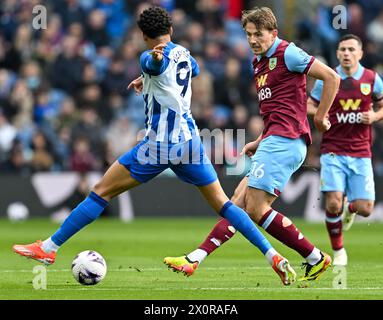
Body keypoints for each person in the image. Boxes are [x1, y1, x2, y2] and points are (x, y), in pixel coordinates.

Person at [13, 6, 296, 286]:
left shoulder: (148, 56)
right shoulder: (184, 52)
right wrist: (148, 80)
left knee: (101, 192)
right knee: (224, 204)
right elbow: (191, 70)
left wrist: (151, 69)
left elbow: (155, 64)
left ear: (143, 36)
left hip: (158, 146)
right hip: (191, 142)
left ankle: (48, 248)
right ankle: (272, 255)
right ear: (170, 30)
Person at [163, 6, 340, 282]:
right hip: (274, 138)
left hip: (286, 140)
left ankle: (316, 257)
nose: (253, 40)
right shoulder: (258, 62)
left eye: (258, 34)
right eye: (248, 34)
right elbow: (280, 108)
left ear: (273, 33)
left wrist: (320, 116)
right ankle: (194, 259)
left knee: (256, 209)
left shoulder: (287, 52)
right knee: (236, 203)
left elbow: (331, 77)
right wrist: (260, 140)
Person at [307, 34, 383, 266]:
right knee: (332, 203)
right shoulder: (328, 78)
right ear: (338, 53)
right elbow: (309, 105)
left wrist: (375, 115)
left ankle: (350, 209)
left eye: (351, 49)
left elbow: (382, 106)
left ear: (360, 54)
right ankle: (338, 250)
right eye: (343, 49)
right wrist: (322, 114)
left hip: (361, 151)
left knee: (366, 209)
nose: (347, 53)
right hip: (333, 150)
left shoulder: (372, 78)